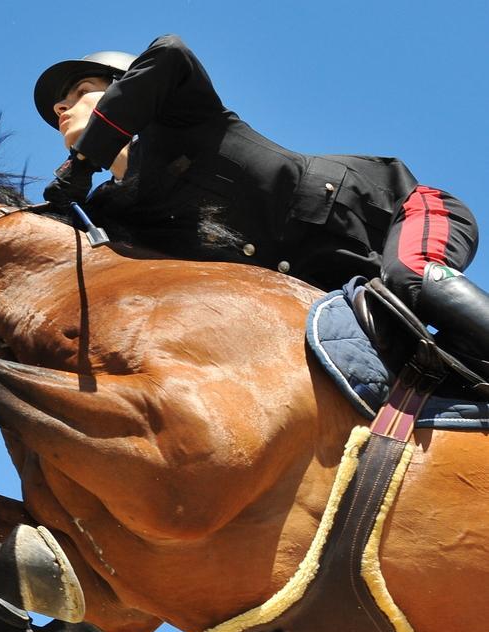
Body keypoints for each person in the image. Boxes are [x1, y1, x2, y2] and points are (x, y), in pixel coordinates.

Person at [34, 34, 489, 378]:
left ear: (124, 87)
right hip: (345, 292)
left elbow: (169, 52)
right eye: (60, 105)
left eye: (81, 91)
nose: (60, 107)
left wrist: (84, 160)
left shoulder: (181, 116)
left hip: (406, 212)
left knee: (412, 277)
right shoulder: (112, 212)